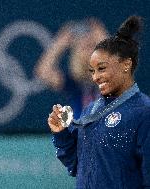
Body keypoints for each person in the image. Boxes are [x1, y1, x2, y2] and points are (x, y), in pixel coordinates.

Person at [48, 16, 150, 189]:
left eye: (101, 68)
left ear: (125, 65)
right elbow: (77, 165)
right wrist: (61, 135)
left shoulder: (143, 112)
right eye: (92, 71)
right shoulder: (90, 112)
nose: (95, 77)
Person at [36, 18, 107, 118]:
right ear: (76, 54)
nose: (89, 50)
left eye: (92, 45)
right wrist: (59, 44)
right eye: (84, 47)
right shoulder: (73, 82)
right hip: (81, 130)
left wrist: (104, 39)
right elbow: (43, 72)